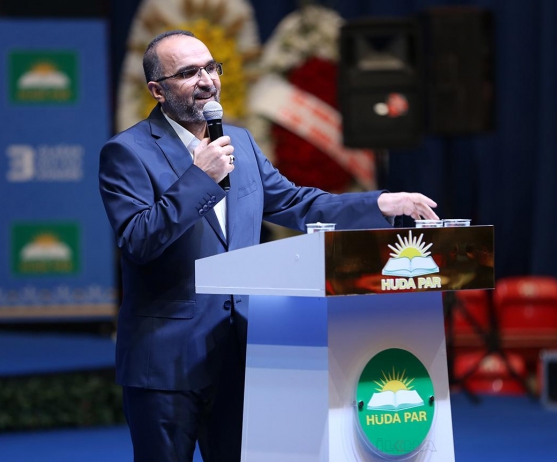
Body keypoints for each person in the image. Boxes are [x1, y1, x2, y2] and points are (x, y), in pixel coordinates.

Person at [98, 29, 439, 462]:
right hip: (167, 361)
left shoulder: (239, 141)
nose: (206, 80)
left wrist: (379, 204)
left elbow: (296, 203)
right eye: (188, 73)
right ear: (157, 91)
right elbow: (138, 240)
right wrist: (200, 178)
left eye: (210, 68)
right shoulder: (127, 152)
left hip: (241, 353)